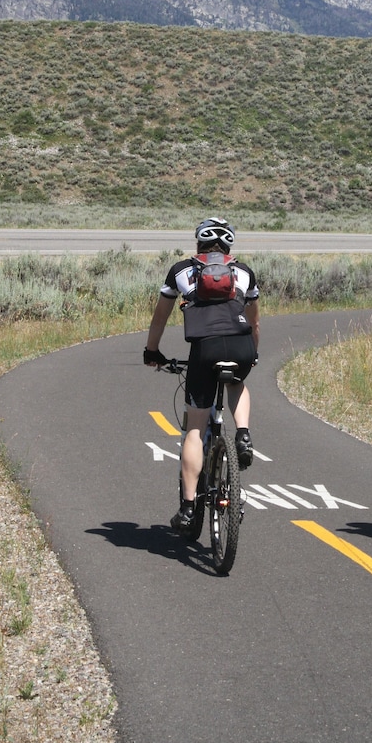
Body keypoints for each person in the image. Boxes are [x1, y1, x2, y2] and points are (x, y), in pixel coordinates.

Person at [143, 217, 260, 532]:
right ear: (229, 247)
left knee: (195, 428)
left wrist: (152, 351)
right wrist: (253, 354)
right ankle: (243, 434)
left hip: (204, 350)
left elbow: (160, 318)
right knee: (238, 382)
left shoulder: (181, 270)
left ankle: (187, 508)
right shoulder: (245, 273)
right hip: (241, 347)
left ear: (199, 244)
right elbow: (255, 322)